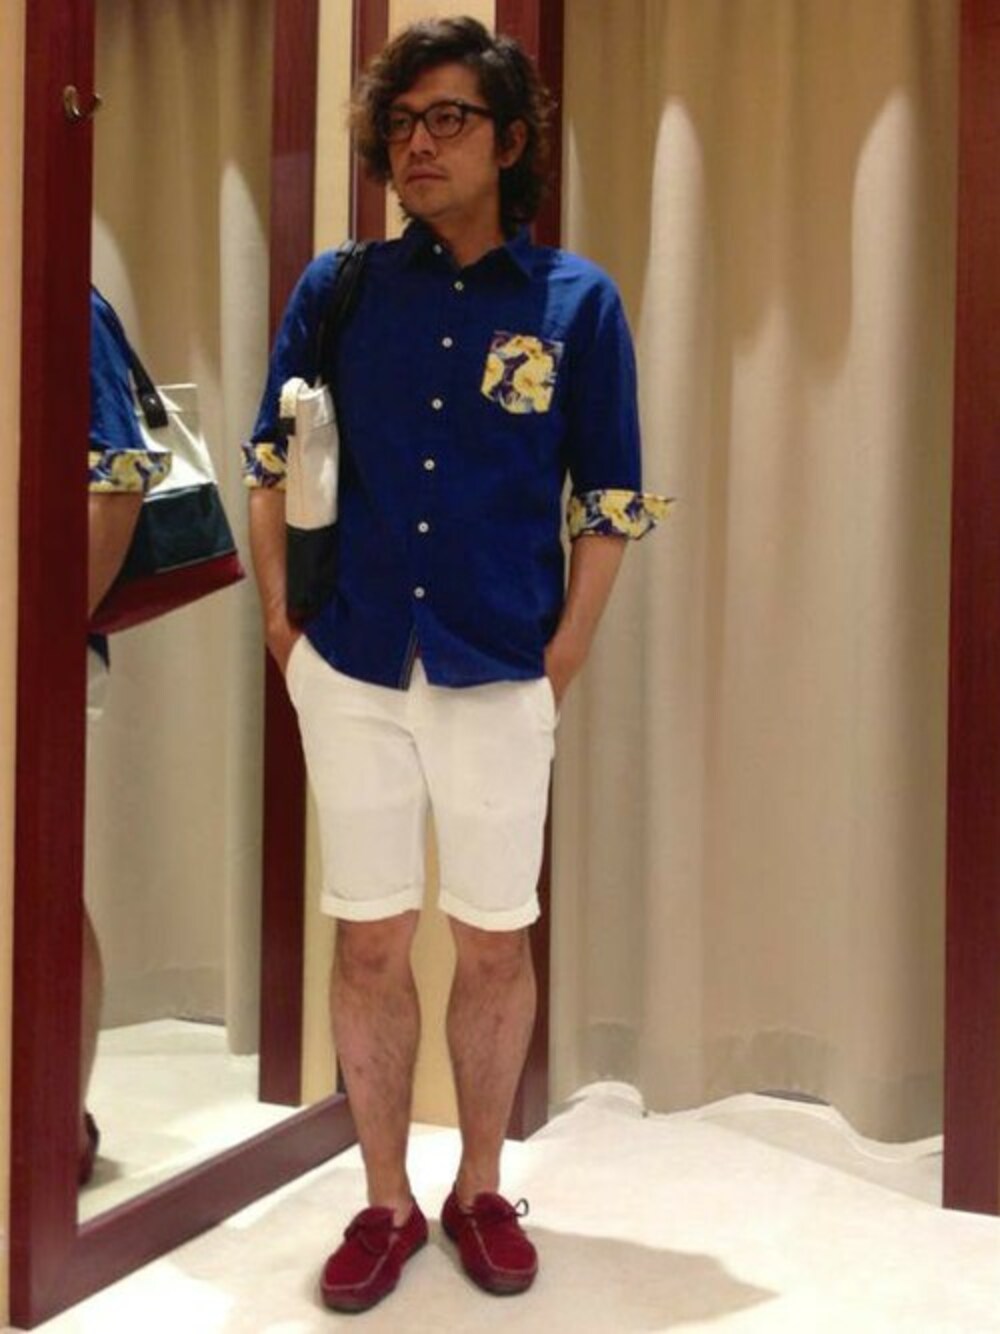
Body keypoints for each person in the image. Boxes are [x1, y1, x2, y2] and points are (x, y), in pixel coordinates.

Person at [244, 15, 668, 1312]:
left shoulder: (576, 304)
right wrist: (284, 629)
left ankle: (480, 1185)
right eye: (400, 124)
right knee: (368, 936)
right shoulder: (340, 289)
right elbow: (270, 461)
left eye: (448, 119)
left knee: (494, 938)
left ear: (511, 140)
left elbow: (610, 498)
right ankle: (385, 1199)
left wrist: (563, 652)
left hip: (499, 665)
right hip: (354, 661)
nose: (416, 145)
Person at [83, 287, 172, 1183]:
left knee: (34, 887)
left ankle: (53, 1131)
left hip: (33, 644)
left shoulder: (59, 296)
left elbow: (118, 475)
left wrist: (38, 640)